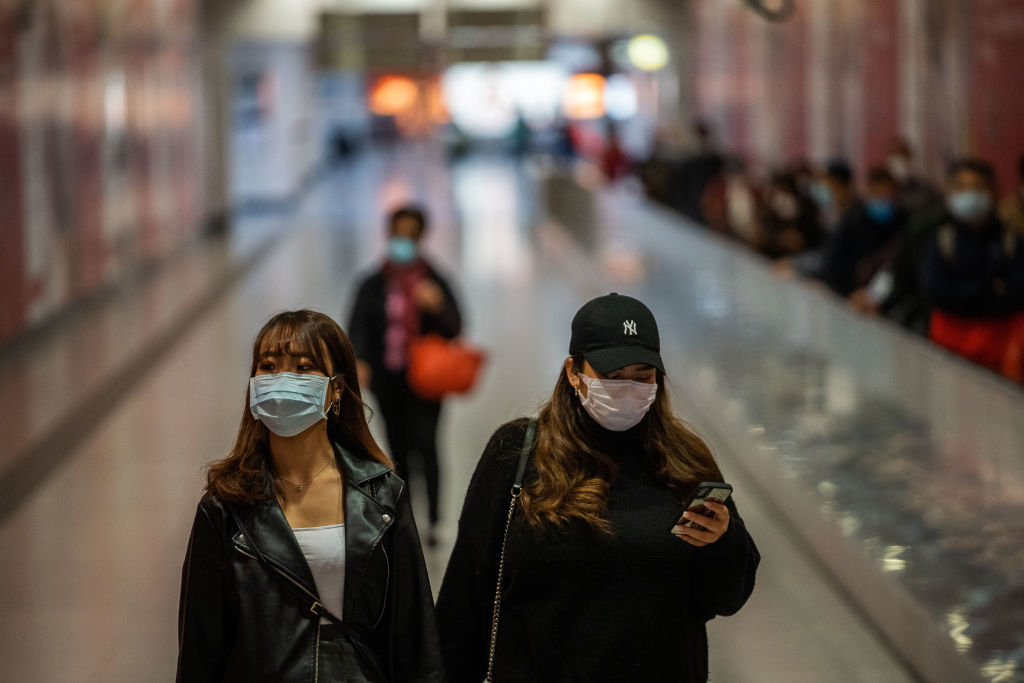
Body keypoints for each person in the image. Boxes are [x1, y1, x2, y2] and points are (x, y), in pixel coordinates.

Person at [436, 293, 760, 682]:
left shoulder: (683, 461)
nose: (629, 389)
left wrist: (723, 542)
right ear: (574, 371)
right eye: (611, 376)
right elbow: (466, 593)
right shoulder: (518, 453)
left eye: (642, 377)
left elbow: (724, 598)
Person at [176, 310, 443, 682]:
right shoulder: (224, 506)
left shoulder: (381, 495)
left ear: (335, 389)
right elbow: (201, 649)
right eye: (268, 366)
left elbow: (414, 636)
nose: (283, 380)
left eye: (304, 368)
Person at [348, 206, 461, 545]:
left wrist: (437, 308)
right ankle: (405, 516)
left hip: (428, 381)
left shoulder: (435, 280)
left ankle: (436, 520)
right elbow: (357, 328)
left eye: (411, 234)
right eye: (399, 233)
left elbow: (456, 327)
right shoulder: (372, 283)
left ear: (421, 237)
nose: (404, 241)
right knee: (397, 450)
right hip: (389, 381)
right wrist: (361, 360)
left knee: (427, 446)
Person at [919, 160, 1024, 379]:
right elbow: (936, 293)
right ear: (950, 193)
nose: (971, 194)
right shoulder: (940, 241)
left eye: (978, 186)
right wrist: (987, 287)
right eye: (962, 187)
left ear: (993, 192)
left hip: (1000, 355)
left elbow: (1015, 295)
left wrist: (962, 294)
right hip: (949, 354)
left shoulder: (1011, 241)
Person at [818, 166, 907, 297]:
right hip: (851, 296)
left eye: (888, 194)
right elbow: (832, 263)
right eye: (878, 193)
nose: (883, 198)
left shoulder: (902, 222)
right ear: (869, 191)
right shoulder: (854, 220)